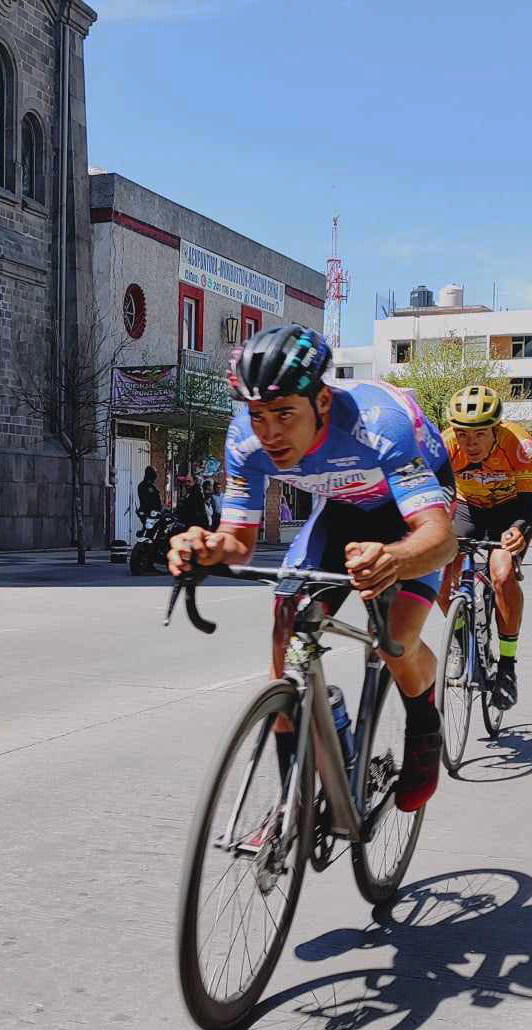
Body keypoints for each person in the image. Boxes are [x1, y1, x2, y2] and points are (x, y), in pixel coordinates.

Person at [168, 325, 456, 813]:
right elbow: (238, 543)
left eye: (284, 414)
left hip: (411, 511)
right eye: (258, 416)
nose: (271, 433)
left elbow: (441, 539)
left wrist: (396, 558)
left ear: (322, 402)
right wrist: (204, 547)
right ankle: (292, 808)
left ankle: (425, 726)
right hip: (342, 508)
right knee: (287, 641)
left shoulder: (380, 424)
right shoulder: (245, 441)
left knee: (397, 639)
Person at [438, 384, 532, 709]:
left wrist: (519, 529)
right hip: (468, 507)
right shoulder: (444, 446)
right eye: (463, 435)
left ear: (496, 429)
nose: (470, 444)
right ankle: (458, 639)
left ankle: (507, 665)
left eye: (480, 435)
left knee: (502, 573)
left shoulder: (519, 444)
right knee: (437, 573)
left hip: (509, 511)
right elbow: (433, 495)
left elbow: (529, 504)